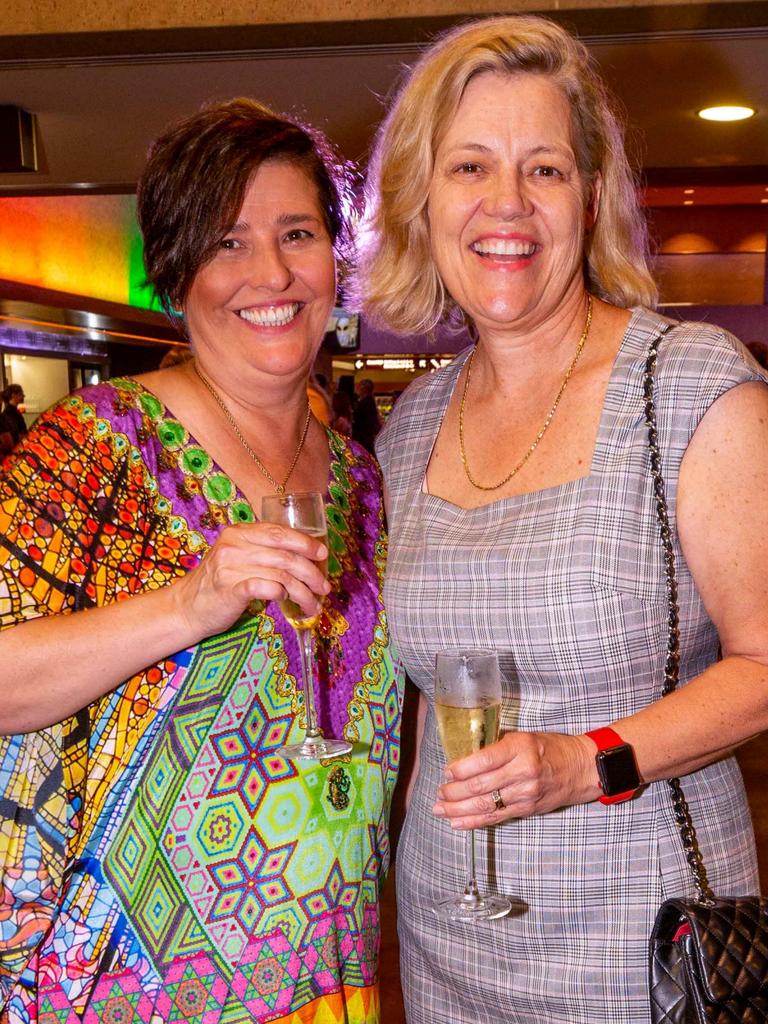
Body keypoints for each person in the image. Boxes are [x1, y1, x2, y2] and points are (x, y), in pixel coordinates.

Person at [355, 15, 768, 1024]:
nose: (506, 204)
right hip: (446, 939)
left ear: (590, 196)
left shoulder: (690, 387)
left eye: (542, 168)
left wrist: (587, 760)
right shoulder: (409, 429)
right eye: (469, 167)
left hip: (643, 941)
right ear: (423, 198)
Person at [0, 98, 403, 1024]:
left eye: (297, 233)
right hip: (125, 989)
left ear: (335, 262)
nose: (271, 272)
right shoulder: (91, 450)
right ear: (177, 271)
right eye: (228, 241)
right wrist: (189, 602)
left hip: (327, 974)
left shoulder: (363, 478)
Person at [351, 378, 381, 454]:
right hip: (367, 437)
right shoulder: (370, 402)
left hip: (363, 438)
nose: (358, 389)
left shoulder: (365, 403)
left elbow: (360, 421)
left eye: (360, 386)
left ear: (364, 389)